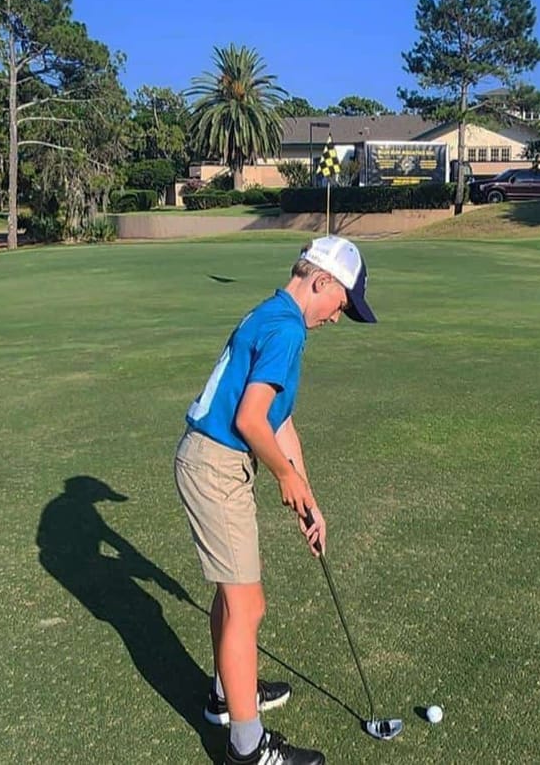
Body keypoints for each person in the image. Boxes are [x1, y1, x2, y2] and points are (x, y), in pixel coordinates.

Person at [174, 236, 377, 765]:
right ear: (321, 281)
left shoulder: (273, 313)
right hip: (216, 466)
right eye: (342, 304)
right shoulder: (287, 329)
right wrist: (283, 476)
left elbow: (278, 418)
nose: (339, 317)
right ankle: (246, 748)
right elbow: (248, 420)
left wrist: (305, 490)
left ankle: (226, 693)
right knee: (248, 605)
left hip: (212, 460)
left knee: (232, 595)